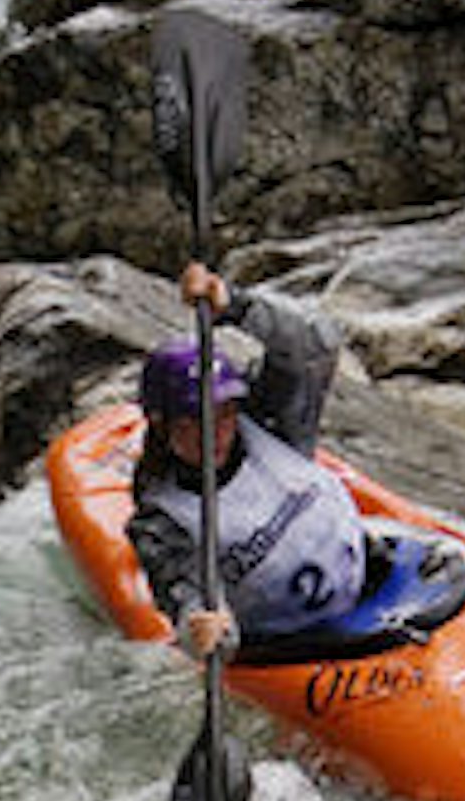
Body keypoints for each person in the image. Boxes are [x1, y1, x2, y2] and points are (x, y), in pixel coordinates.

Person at [128, 263, 366, 660]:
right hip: (290, 649)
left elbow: (316, 344)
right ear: (161, 423)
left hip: (371, 591)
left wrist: (235, 304)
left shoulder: (272, 423)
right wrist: (200, 626)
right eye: (195, 421)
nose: (215, 432)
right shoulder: (163, 522)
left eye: (223, 414)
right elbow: (183, 592)